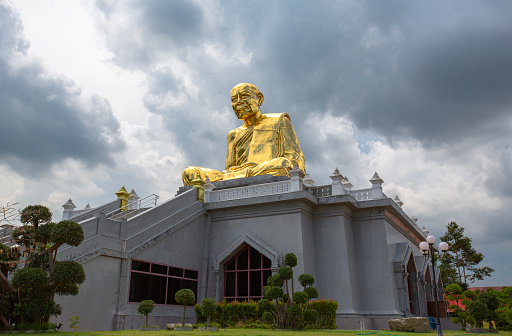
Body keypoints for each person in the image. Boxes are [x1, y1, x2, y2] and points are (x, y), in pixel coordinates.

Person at [182, 83, 306, 186]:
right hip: (238, 174)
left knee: (283, 163)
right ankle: (245, 176)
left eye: (245, 96)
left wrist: (247, 172)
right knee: (189, 173)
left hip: (262, 169)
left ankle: (245, 175)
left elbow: (295, 160)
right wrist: (239, 174)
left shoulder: (279, 120)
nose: (239, 102)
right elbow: (229, 169)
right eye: (234, 100)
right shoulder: (233, 134)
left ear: (260, 99)